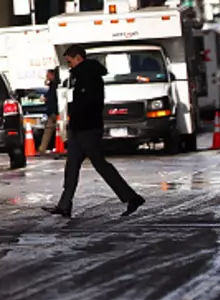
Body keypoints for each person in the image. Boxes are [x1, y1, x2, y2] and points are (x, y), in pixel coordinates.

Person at [44, 45, 144, 219]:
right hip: (80, 128)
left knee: (100, 165)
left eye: (70, 61)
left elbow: (87, 103)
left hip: (87, 128)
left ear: (78, 58)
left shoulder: (88, 76)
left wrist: (75, 114)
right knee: (72, 166)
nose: (69, 65)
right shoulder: (83, 76)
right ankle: (64, 205)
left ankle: (132, 197)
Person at [37, 68, 59, 155]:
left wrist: (45, 98)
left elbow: (51, 98)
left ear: (52, 75)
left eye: (48, 74)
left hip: (54, 111)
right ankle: (43, 148)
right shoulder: (54, 84)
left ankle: (43, 148)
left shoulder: (54, 85)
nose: (46, 76)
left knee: (50, 130)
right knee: (51, 129)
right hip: (54, 111)